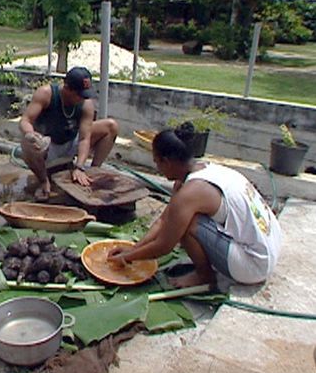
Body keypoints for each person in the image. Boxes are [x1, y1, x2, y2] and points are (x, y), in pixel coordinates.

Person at [108, 128, 282, 288]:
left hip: (255, 265)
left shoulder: (190, 193)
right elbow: (164, 219)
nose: (158, 169)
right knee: (181, 218)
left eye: (157, 163)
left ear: (167, 161)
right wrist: (134, 248)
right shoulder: (205, 170)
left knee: (188, 224)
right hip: (271, 244)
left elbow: (164, 245)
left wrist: (127, 258)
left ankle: (204, 276)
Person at [19, 66, 119, 202]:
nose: (81, 98)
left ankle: (93, 171)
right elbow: (25, 120)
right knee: (26, 144)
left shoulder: (86, 104)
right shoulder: (46, 94)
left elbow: (84, 138)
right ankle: (44, 181)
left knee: (111, 126)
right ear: (67, 88)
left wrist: (80, 167)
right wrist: (32, 135)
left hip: (72, 141)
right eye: (78, 94)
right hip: (48, 145)